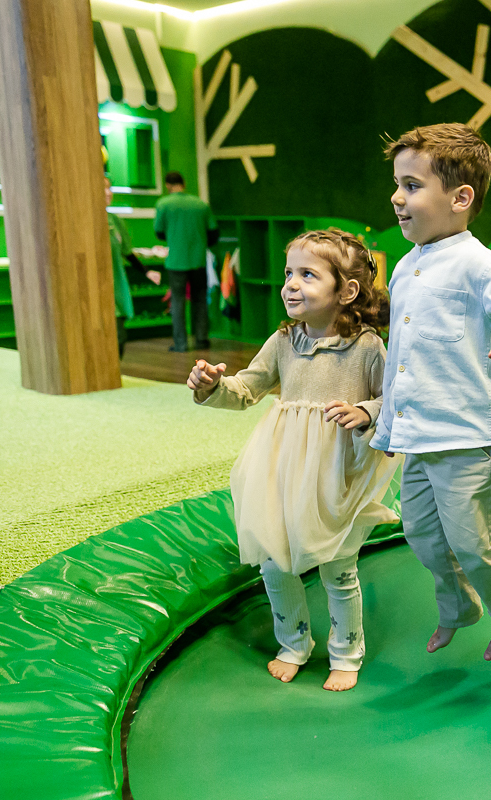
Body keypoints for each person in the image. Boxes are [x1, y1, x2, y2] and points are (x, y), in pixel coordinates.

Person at [187, 229, 400, 692]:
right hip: (283, 467)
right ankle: (294, 642)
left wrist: (365, 410)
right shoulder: (285, 341)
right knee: (274, 561)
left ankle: (346, 652)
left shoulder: (366, 347)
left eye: (307, 274)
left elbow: (396, 401)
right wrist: (210, 387)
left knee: (337, 567)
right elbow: (246, 389)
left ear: (346, 291)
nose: (291, 284)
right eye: (288, 273)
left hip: (336, 474)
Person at [370, 123, 491, 664]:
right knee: (423, 536)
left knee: (475, 543)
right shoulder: (404, 266)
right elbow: (403, 353)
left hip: (469, 436)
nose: (397, 198)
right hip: (420, 436)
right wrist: (385, 423)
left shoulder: (478, 263)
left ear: (460, 197)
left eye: (411, 185)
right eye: (397, 184)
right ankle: (458, 608)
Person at [155, 171, 217, 352]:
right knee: (200, 299)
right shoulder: (200, 204)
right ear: (184, 183)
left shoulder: (163, 204)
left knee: (178, 301)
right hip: (198, 260)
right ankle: (202, 339)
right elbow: (213, 233)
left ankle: (180, 343)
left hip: (176, 261)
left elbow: (159, 232)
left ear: (167, 185)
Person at [104, 177, 161, 357]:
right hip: (95, 289)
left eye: (109, 188)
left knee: (119, 336)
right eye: (103, 189)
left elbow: (127, 252)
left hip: (116, 287)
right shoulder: (85, 220)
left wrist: (147, 272)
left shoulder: (115, 221)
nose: (108, 193)